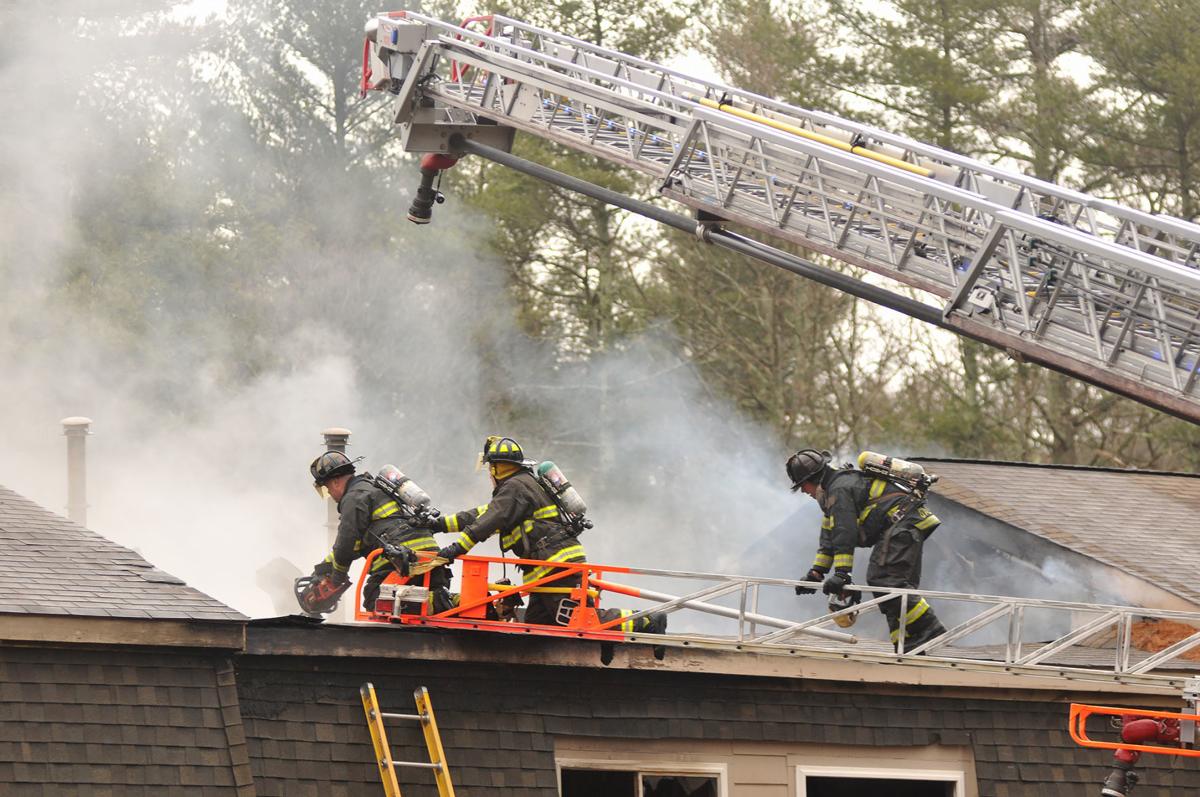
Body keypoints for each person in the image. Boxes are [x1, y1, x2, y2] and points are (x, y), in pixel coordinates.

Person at [426, 436, 666, 633]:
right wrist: (439, 524)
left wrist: (455, 550)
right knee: (536, 627)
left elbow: (487, 522)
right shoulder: (520, 487)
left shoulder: (514, 488)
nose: (489, 474)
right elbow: (481, 515)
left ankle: (646, 621)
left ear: (497, 468)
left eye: (490, 468)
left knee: (580, 620)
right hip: (546, 569)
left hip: (555, 565)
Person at [787, 447, 946, 650]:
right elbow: (830, 537)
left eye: (802, 486)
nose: (803, 491)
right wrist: (816, 573)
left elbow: (844, 533)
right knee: (891, 587)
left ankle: (930, 629)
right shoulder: (832, 493)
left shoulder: (839, 489)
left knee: (884, 581)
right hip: (906, 524)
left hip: (903, 524)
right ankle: (906, 644)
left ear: (812, 479)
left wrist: (843, 574)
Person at [307, 451, 453, 614]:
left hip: (402, 563)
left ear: (335, 482)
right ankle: (448, 600)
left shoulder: (353, 497)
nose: (330, 494)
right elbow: (355, 544)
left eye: (327, 488)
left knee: (374, 598)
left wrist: (336, 579)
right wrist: (323, 568)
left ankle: (437, 602)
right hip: (432, 559)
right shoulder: (376, 489)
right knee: (426, 598)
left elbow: (346, 544)